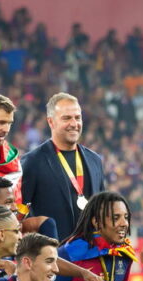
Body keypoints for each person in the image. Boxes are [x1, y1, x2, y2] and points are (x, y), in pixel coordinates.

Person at [20, 93, 104, 241]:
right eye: (67, 118)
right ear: (51, 122)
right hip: (53, 252)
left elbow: (102, 208)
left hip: (91, 250)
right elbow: (20, 216)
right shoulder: (32, 162)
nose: (74, 123)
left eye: (77, 117)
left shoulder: (95, 160)